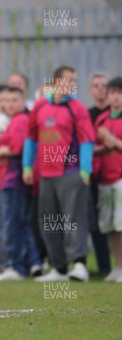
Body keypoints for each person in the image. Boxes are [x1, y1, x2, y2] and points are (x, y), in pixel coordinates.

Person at [23, 65, 94, 282]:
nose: (73, 84)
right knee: (49, 221)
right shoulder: (40, 106)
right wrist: (27, 167)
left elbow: (87, 140)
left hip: (71, 173)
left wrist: (85, 170)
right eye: (69, 80)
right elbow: (31, 138)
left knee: (73, 220)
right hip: (45, 175)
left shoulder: (77, 108)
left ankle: (79, 264)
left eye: (75, 80)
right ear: (56, 82)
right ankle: (60, 268)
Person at [0, 87, 42, 280]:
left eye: (14, 100)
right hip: (17, 179)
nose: (10, 104)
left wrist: (4, 152)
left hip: (14, 179)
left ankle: (15, 266)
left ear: (23, 102)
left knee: (12, 222)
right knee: (22, 222)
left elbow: (19, 147)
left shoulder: (21, 120)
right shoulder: (18, 120)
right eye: (7, 100)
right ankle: (35, 262)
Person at [93, 77, 122, 282]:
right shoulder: (102, 120)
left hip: (120, 178)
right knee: (110, 226)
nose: (115, 96)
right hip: (105, 179)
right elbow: (94, 149)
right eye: (112, 92)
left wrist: (111, 140)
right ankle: (117, 267)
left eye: (119, 92)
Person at [87, 73, 112, 275]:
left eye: (105, 86)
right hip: (96, 175)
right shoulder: (87, 115)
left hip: (116, 173)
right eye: (97, 85)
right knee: (97, 221)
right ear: (91, 90)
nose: (101, 89)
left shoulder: (116, 114)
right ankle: (105, 267)